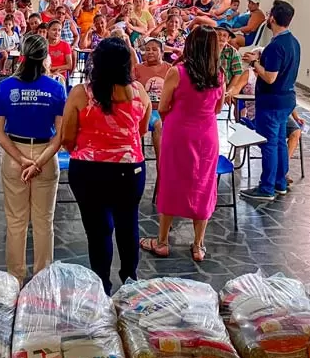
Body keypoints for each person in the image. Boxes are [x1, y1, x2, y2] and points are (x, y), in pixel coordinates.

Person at [61, 38, 151, 294]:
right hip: (129, 169)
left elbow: (67, 136)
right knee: (128, 224)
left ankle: (102, 284)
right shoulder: (139, 92)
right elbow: (141, 130)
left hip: (89, 171)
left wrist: (88, 151)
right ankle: (130, 279)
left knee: (98, 231)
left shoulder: (82, 93)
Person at [140, 26, 223, 262]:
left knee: (171, 181)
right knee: (203, 184)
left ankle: (162, 241)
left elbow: (163, 106)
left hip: (178, 133)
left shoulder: (178, 72)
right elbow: (217, 108)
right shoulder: (218, 74)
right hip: (207, 135)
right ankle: (198, 245)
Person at [0, 34, 66, 283]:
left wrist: (22, 160)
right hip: (46, 156)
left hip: (15, 156)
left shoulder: (6, 87)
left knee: (16, 221)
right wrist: (38, 162)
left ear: (21, 55)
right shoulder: (56, 88)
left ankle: (15, 279)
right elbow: (61, 134)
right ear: (45, 57)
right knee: (44, 221)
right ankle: (43, 279)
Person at [241, 0, 301, 202]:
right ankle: (280, 183)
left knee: (269, 144)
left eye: (269, 13)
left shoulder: (276, 46)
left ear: (273, 18)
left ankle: (266, 187)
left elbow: (270, 77)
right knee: (280, 144)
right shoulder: (293, 42)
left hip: (272, 101)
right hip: (286, 100)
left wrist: (254, 62)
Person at [133, 38, 171, 161]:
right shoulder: (137, 68)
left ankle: (162, 169)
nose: (150, 52)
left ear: (162, 52)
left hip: (164, 110)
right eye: (147, 49)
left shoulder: (170, 69)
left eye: (154, 49)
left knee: (160, 124)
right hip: (143, 110)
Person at [215, 25, 247, 104]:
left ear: (228, 39)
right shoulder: (207, 49)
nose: (221, 38)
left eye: (224, 35)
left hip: (225, 86)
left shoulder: (233, 52)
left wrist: (227, 92)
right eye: (219, 34)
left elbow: (238, 74)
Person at [46, 19, 74, 84]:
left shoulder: (65, 45)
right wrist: (49, 72)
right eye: (54, 30)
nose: (57, 32)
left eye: (59, 30)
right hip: (45, 74)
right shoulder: (43, 44)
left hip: (60, 76)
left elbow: (69, 65)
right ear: (48, 30)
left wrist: (53, 69)